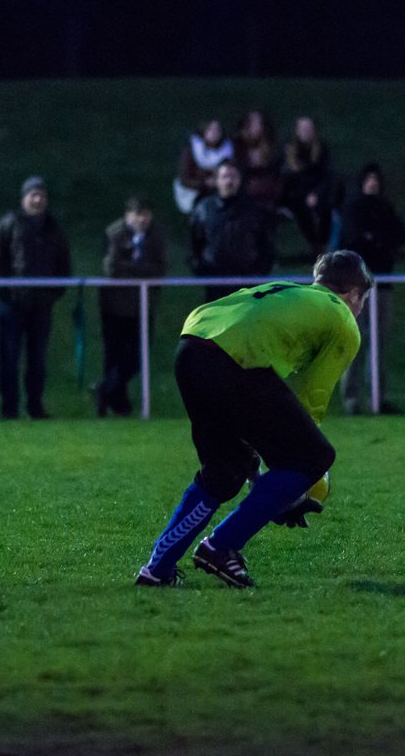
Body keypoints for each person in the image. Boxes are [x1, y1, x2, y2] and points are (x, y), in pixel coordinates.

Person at [135, 250, 372, 589]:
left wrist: (266, 465)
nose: (360, 308)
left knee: (224, 472)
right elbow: (311, 399)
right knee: (314, 456)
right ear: (353, 293)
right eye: (361, 299)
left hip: (192, 348)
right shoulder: (343, 320)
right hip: (235, 361)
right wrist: (295, 480)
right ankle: (221, 547)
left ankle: (157, 569)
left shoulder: (290, 290)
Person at [0, 176, 72, 420]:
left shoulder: (54, 228)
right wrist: (6, 292)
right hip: (12, 305)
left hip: (41, 305)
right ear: (24, 198)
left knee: (38, 361)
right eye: (33, 194)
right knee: (9, 359)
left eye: (41, 194)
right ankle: (9, 409)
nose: (38, 199)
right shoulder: (10, 223)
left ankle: (35, 406)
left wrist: (53, 293)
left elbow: (64, 264)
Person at [337, 163, 405, 415]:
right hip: (356, 288)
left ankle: (378, 398)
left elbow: (400, 236)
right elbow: (354, 241)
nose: (373, 183)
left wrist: (376, 239)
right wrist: (375, 241)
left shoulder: (385, 208)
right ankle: (351, 400)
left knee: (378, 342)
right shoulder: (353, 209)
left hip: (383, 285)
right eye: (368, 179)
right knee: (354, 342)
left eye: (376, 179)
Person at [96, 196, 168, 417]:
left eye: (146, 214)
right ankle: (117, 404)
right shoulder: (114, 233)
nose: (142, 219)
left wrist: (132, 269)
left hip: (144, 306)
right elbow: (111, 268)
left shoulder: (156, 235)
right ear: (128, 216)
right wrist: (140, 268)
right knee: (114, 355)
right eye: (138, 214)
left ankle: (104, 390)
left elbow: (160, 269)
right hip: (115, 306)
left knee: (137, 357)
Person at [188, 159, 276, 302]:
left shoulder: (254, 210)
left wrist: (259, 272)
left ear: (240, 180)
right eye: (225, 176)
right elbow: (194, 242)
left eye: (233, 176)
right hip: (214, 279)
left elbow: (266, 244)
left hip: (247, 281)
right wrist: (201, 269)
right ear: (216, 180)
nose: (229, 181)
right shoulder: (204, 209)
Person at [280, 115, 335, 255]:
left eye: (309, 128)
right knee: (302, 210)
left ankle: (322, 245)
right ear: (297, 131)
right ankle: (315, 246)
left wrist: (316, 193)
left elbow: (325, 175)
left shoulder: (320, 149)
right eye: (303, 128)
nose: (306, 132)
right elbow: (287, 177)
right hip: (295, 195)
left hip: (316, 192)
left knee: (324, 209)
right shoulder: (289, 151)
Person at [173, 119, 233, 215]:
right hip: (193, 197)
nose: (214, 133)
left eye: (217, 130)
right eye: (210, 129)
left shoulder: (228, 150)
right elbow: (184, 179)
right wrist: (204, 183)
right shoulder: (191, 149)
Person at [233, 109, 282, 211]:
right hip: (245, 188)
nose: (257, 127)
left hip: (268, 188)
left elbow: (275, 170)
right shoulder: (238, 146)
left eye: (259, 123)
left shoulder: (271, 146)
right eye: (253, 123)